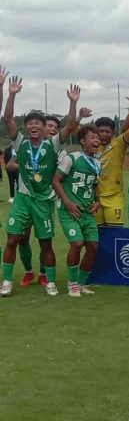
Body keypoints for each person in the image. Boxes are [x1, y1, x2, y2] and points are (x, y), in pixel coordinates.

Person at [1, 78, 79, 297]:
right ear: (27, 127)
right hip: (23, 198)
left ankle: (51, 282)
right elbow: (7, 118)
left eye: (38, 123)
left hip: (43, 201)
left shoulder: (52, 145)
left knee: (45, 243)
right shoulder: (21, 143)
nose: (33, 126)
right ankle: (6, 282)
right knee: (13, 239)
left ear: (46, 129)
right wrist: (12, 94)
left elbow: (71, 125)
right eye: (30, 123)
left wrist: (72, 103)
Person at [53, 126, 102, 297]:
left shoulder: (97, 162)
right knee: (77, 243)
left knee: (93, 246)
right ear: (82, 141)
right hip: (70, 211)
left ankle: (82, 283)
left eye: (98, 138)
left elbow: (95, 184)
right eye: (93, 137)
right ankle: (72, 284)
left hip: (87, 212)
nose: (97, 140)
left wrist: (98, 202)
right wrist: (67, 202)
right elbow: (56, 181)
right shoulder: (71, 158)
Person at [94, 94, 129, 226]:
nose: (103, 134)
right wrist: (79, 114)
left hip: (114, 195)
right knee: (95, 236)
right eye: (100, 131)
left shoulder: (119, 143)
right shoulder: (90, 144)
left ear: (113, 132)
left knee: (114, 234)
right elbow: (72, 127)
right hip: (93, 196)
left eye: (107, 132)